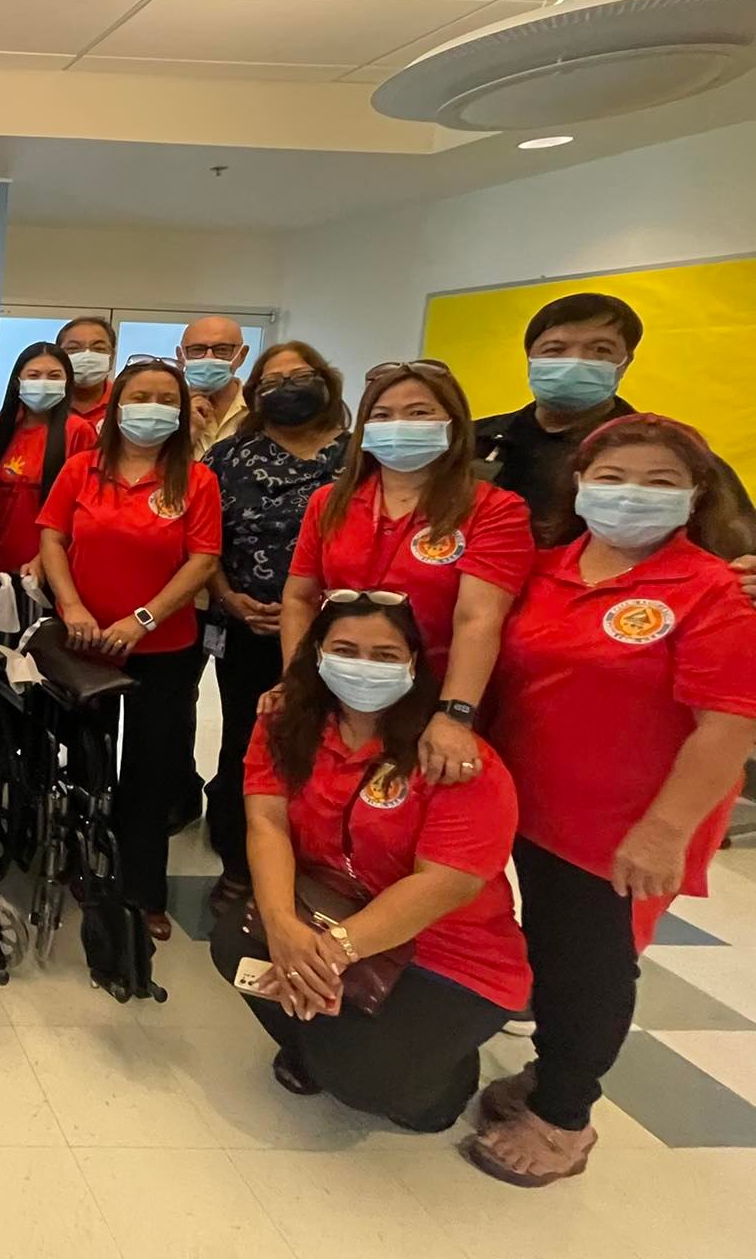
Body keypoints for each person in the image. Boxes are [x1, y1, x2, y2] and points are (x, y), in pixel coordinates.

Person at [472, 414, 756, 1186]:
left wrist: (665, 831)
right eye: (614, 477)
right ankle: (550, 1070)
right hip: (524, 798)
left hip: (620, 823)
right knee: (549, 949)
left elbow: (727, 724)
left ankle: (564, 1118)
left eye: (660, 483)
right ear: (581, 485)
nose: (632, 496)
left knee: (587, 966)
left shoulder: (708, 590)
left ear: (695, 497)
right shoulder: (548, 567)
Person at [210, 594, 528, 1132]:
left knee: (366, 1083)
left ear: (413, 663)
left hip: (447, 949)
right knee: (236, 942)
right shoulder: (287, 725)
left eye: (385, 655)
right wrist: (285, 926)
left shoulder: (451, 756)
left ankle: (441, 1080)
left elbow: (445, 885)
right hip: (331, 910)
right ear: (316, 655)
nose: (363, 666)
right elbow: (267, 825)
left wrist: (334, 951)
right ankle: (325, 1044)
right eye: (345, 650)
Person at [283, 361, 533, 788]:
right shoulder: (331, 502)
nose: (399, 425)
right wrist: (297, 685)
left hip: (431, 693)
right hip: (337, 685)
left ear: (453, 424)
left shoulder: (492, 509)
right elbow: (299, 598)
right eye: (382, 415)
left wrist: (455, 713)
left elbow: (478, 619)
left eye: (419, 413)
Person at [37, 357, 220, 939]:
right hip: (84, 640)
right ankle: (75, 865)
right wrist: (70, 606)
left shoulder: (197, 480)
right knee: (82, 758)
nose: (153, 408)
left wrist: (142, 620)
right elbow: (52, 538)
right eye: (140, 396)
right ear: (117, 406)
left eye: (167, 398)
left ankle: (143, 892)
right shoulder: (81, 469)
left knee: (149, 770)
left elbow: (203, 560)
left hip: (162, 646)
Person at [203, 343, 349, 898]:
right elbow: (203, 541)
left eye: (302, 376)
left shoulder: (357, 458)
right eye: (275, 379)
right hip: (247, 622)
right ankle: (241, 866)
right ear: (255, 391)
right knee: (248, 737)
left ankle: (322, 868)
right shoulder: (227, 458)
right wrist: (228, 598)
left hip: (339, 633)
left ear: (327, 383)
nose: (289, 387)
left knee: (331, 745)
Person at [473, 291, 756, 541]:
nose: (577, 360)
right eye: (555, 349)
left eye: (601, 350)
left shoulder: (671, 452)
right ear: (530, 357)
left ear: (625, 363)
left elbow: (735, 540)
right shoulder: (471, 440)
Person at [0, 342, 98, 625]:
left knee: (39, 661)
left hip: (46, 571)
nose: (43, 384)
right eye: (34, 376)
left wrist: (44, 559)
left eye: (54, 376)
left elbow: (82, 509)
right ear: (18, 381)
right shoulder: (2, 427)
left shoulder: (78, 431)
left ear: (67, 382)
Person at [180, 314, 251, 458]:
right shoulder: (170, 410)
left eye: (222, 350)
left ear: (242, 355)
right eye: (197, 349)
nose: (209, 358)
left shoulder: (260, 408)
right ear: (180, 355)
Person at [55, 316, 116, 430]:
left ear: (112, 357)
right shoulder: (44, 405)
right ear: (58, 356)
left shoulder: (123, 404)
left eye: (99, 348)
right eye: (73, 348)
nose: (86, 356)